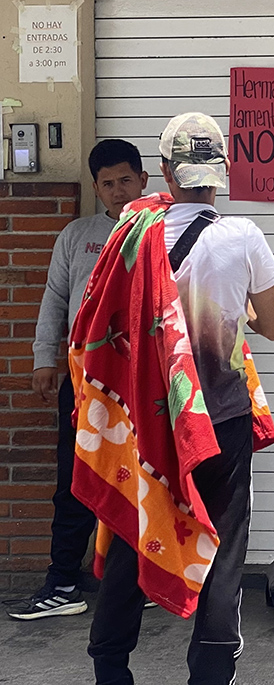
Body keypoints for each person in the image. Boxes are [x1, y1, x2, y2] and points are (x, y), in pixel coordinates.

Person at [85, 112, 274, 685]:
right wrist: (227, 310)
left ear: (165, 172)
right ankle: (212, 670)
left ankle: (111, 667)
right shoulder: (244, 236)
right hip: (219, 417)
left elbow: (109, 321)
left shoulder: (132, 233)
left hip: (146, 418)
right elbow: (270, 326)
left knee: (132, 529)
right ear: (220, 172)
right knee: (222, 547)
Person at [5, 140, 148, 621]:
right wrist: (44, 358)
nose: (117, 190)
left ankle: (141, 579)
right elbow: (54, 300)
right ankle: (63, 581)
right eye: (107, 183)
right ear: (95, 188)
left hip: (143, 383)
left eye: (125, 180)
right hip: (84, 384)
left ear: (144, 180)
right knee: (75, 480)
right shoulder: (76, 235)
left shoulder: (161, 232)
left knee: (143, 481)